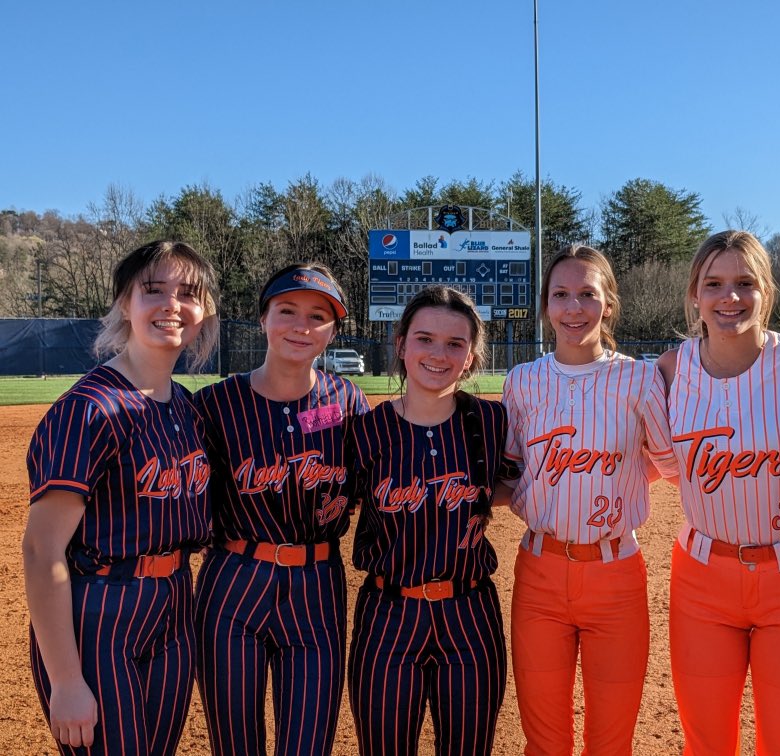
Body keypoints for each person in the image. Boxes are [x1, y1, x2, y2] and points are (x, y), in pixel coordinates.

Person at [657, 229, 780, 755]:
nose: (730, 297)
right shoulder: (670, 370)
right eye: (713, 283)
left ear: (767, 290)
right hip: (701, 578)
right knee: (707, 741)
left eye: (745, 282)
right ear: (695, 294)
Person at [23, 240, 219, 755]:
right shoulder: (89, 409)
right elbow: (42, 551)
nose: (172, 305)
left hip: (175, 610)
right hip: (101, 615)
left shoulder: (189, 409)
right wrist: (66, 680)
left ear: (205, 313)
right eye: (153, 291)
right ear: (124, 305)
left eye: (188, 294)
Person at [503, 245, 679, 755]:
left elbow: (670, 465)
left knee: (611, 741)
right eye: (561, 294)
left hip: (616, 576)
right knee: (546, 742)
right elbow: (514, 469)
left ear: (608, 304)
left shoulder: (641, 378)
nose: (573, 307)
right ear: (545, 306)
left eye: (587, 294)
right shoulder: (522, 381)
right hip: (539, 573)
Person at [191, 263, 369, 756]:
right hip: (233, 583)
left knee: (309, 743)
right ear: (264, 318)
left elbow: (370, 483)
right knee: (234, 744)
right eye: (287, 310)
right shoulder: (214, 404)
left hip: (316, 587)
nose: (301, 325)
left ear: (332, 330)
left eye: (318, 316)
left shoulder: (346, 402)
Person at [346, 285, 512, 756]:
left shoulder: (492, 422)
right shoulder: (365, 429)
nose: (439, 354)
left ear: (472, 354)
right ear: (401, 344)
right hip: (388, 612)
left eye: (455, 343)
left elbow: (525, 483)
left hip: (470, 612)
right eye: (424, 339)